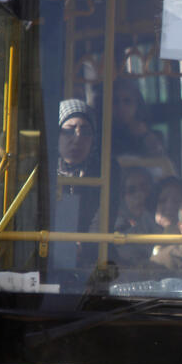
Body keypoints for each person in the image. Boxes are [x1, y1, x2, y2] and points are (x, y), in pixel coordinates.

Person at [54, 99, 101, 267]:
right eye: (69, 130)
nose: (77, 138)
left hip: (91, 255)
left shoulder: (104, 170)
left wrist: (85, 245)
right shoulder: (40, 167)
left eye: (86, 132)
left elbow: (103, 217)